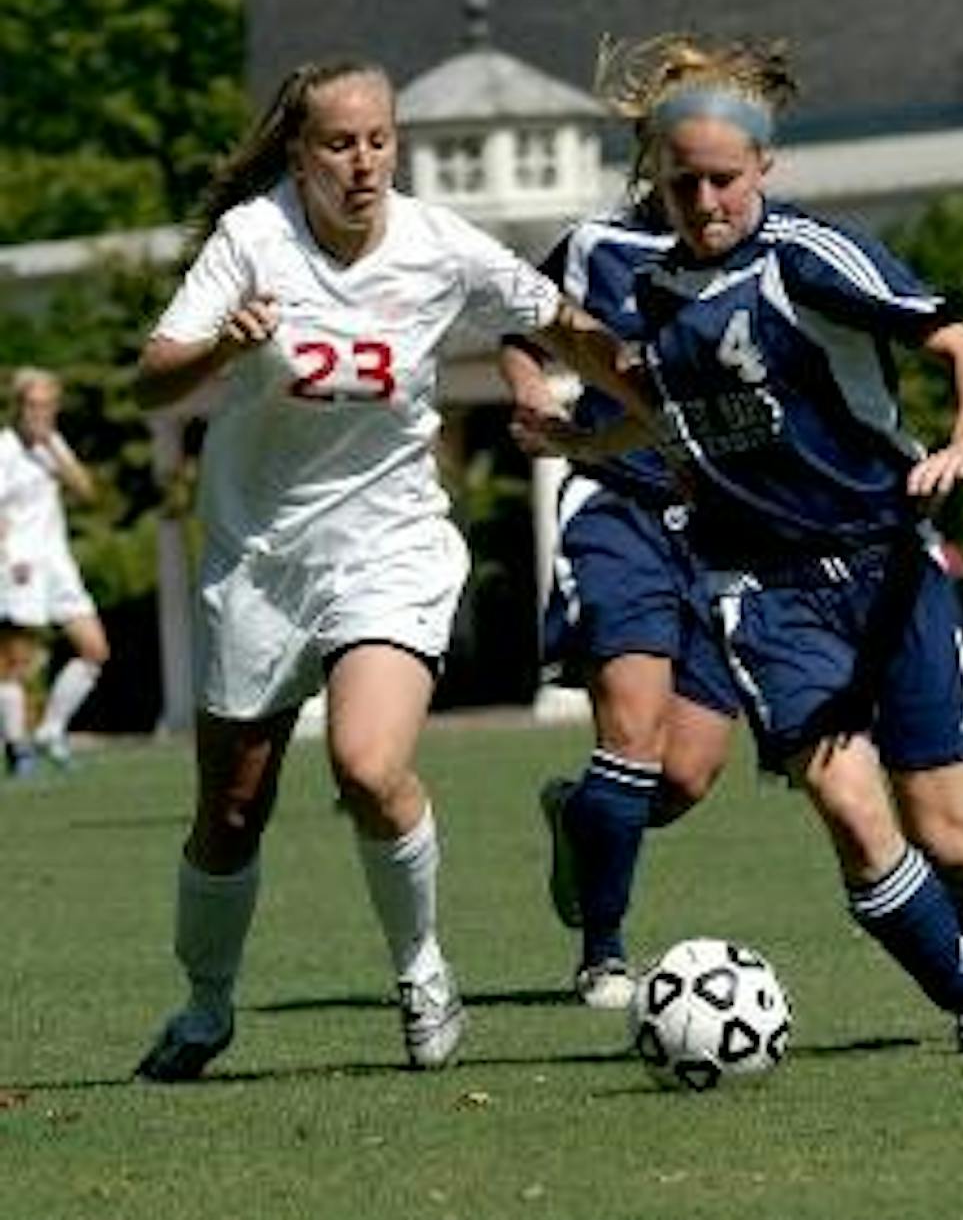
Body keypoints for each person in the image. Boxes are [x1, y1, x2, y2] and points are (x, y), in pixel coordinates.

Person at [132, 57, 642, 1080]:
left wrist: (652, 414)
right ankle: (206, 1005)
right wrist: (221, 349)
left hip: (390, 547)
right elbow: (153, 379)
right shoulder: (252, 240)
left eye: (378, 140)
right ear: (297, 152)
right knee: (231, 811)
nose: (362, 163)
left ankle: (422, 975)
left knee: (368, 766)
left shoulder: (436, 242)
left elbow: (561, 326)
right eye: (337, 144)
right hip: (261, 558)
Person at [532, 32, 963, 1050]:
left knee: (948, 833)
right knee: (843, 796)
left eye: (724, 182)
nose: (704, 204)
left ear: (765, 170)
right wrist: (590, 430)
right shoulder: (643, 286)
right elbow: (663, 398)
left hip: (889, 571)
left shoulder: (810, 256)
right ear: (653, 173)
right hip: (766, 587)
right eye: (684, 182)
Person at [499, 190, 740, 1011]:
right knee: (632, 733)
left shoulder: (768, 242)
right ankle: (603, 953)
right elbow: (517, 330)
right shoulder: (596, 242)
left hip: (719, 528)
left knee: (688, 773)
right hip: (617, 505)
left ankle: (579, 817)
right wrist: (532, 393)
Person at [0, 367, 109, 775]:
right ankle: (17, 747)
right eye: (33, 406)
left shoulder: (52, 444)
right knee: (14, 662)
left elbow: (87, 491)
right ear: (18, 407)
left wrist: (54, 449)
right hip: (19, 565)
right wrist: (7, 559)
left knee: (94, 649)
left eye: (48, 406)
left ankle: (50, 730)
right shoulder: (5, 449)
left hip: (57, 565)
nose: (40, 414)